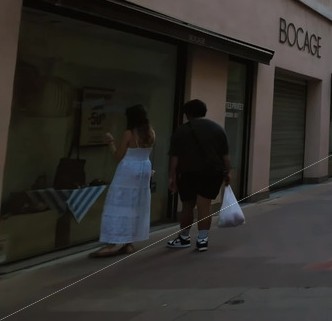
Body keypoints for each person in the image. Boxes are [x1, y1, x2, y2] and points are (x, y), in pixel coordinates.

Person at [89, 105, 155, 258]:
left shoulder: (129, 133)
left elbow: (118, 156)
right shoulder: (151, 133)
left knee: (117, 204)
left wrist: (110, 142)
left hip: (128, 171)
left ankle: (111, 244)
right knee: (135, 205)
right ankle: (128, 243)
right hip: (144, 168)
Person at [167, 100, 231, 252]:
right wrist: (227, 173)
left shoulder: (181, 131)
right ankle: (202, 240)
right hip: (212, 173)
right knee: (205, 206)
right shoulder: (218, 129)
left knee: (187, 206)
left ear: (187, 114)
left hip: (188, 173)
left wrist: (172, 177)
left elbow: (174, 158)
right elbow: (225, 157)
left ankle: (184, 238)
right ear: (204, 111)